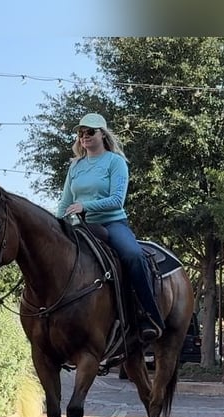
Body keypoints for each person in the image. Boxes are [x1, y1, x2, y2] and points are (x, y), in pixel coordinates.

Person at [55, 112, 164, 342]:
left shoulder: (116, 162)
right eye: (81, 132)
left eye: (90, 132)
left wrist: (85, 206)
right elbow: (65, 202)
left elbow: (117, 200)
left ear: (102, 134)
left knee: (133, 255)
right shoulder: (75, 166)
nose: (84, 136)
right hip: (81, 226)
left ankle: (148, 314)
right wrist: (56, 226)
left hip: (112, 222)